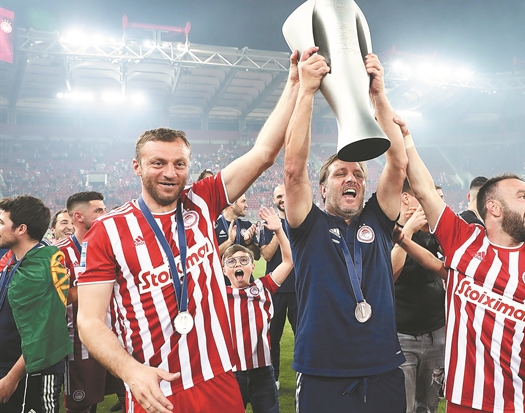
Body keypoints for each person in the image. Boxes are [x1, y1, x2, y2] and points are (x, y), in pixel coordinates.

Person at [76, 47, 309, 413]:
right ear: (137, 167)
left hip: (218, 377)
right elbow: (89, 321)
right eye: (158, 163)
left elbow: (264, 153)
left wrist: (294, 82)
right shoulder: (108, 231)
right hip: (156, 386)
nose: (170, 173)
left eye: (179, 164)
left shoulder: (202, 200)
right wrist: (130, 371)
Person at [395, 116, 525, 413]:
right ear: (494, 207)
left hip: (524, 404)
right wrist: (407, 138)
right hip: (465, 403)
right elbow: (424, 190)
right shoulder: (464, 242)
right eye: (522, 196)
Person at [283, 48, 407, 412]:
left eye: (358, 174)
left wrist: (378, 96)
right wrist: (307, 92)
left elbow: (398, 164)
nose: (351, 178)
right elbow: (293, 169)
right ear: (322, 188)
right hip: (323, 369)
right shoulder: (308, 226)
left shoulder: (378, 220)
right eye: (340, 173)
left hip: (383, 365)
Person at [0, 195, 72, 413]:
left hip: (33, 372)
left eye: (1, 223)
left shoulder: (42, 269)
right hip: (9, 365)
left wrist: (12, 378)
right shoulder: (15, 260)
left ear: (21, 229)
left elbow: (44, 333)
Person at [56, 191, 125, 413]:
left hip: (118, 336)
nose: (105, 214)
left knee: (133, 396)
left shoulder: (114, 245)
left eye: (105, 209)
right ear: (78, 216)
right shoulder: (59, 253)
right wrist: (93, 284)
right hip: (80, 344)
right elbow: (58, 299)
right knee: (81, 406)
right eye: (98, 211)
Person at [223, 206, 293, 413]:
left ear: (252, 267)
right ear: (224, 270)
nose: (238, 265)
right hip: (231, 373)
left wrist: (279, 230)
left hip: (262, 373)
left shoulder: (263, 287)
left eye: (244, 260)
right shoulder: (217, 294)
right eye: (231, 262)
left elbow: (289, 261)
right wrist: (226, 241)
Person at [392, 180, 446, 413]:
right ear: (406, 198)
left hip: (436, 330)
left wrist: (432, 229)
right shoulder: (387, 228)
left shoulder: (433, 230)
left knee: (429, 406)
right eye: (424, 196)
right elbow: (389, 276)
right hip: (401, 333)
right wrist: (409, 230)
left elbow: (453, 262)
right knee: (402, 405)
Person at [260, 183, 297, 388]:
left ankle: (303, 374)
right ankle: (273, 379)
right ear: (274, 200)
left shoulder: (300, 221)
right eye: (278, 196)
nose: (282, 199)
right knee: (273, 336)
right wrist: (278, 229)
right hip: (275, 289)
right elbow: (266, 255)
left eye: (285, 195)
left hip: (298, 288)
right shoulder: (268, 224)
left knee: (302, 335)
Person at [216, 194, 261, 261]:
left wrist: (249, 243)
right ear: (232, 204)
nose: (246, 205)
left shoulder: (247, 226)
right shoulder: (214, 226)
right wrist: (229, 241)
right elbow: (210, 256)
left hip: (242, 267)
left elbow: (257, 257)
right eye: (243, 201)